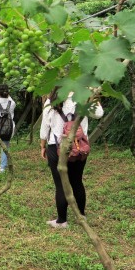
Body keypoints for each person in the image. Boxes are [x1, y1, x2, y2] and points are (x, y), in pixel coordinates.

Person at [39, 90, 103, 228]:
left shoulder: (52, 100)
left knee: (60, 184)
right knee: (77, 181)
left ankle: (62, 221)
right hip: (79, 148)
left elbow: (45, 126)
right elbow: (99, 114)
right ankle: (81, 216)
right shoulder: (84, 98)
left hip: (55, 147)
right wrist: (94, 95)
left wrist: (42, 146)